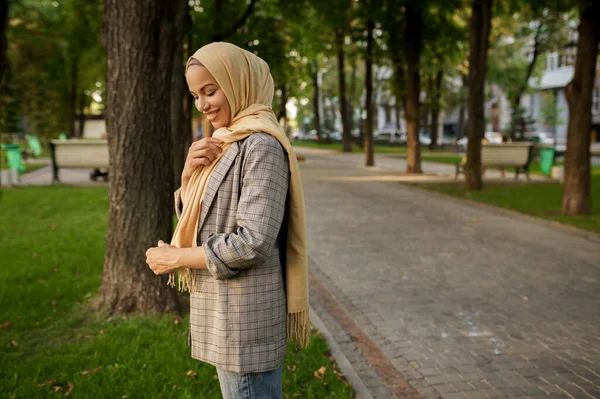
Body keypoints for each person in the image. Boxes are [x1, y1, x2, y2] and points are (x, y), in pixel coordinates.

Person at [144, 42, 310, 399]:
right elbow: (204, 214)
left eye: (210, 90)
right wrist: (189, 175)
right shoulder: (225, 139)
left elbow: (252, 242)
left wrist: (177, 257)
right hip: (224, 308)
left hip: (244, 316)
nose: (203, 105)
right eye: (195, 95)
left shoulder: (261, 145)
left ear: (238, 83)